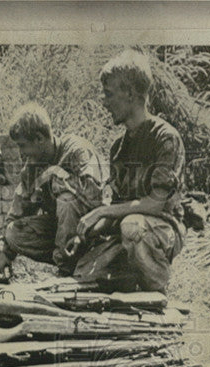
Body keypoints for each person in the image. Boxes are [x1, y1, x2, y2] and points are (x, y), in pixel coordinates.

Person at [72, 50, 186, 294]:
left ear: (131, 94)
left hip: (162, 228)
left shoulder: (165, 139)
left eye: (109, 94)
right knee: (82, 272)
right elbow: (119, 206)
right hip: (130, 229)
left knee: (132, 228)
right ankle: (132, 277)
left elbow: (155, 205)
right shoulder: (118, 148)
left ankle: (157, 288)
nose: (104, 102)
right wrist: (88, 232)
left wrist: (102, 211)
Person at [0, 104, 105, 279]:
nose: (22, 153)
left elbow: (95, 198)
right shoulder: (31, 167)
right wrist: (3, 251)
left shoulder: (78, 151)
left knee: (67, 201)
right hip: (61, 233)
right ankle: (67, 260)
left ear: (39, 138)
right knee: (12, 232)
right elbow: (16, 211)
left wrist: (56, 175)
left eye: (23, 146)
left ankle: (68, 271)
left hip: (93, 232)